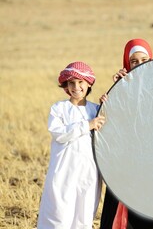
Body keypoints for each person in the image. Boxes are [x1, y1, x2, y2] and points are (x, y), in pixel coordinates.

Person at [99, 38, 153, 229]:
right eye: (134, 61)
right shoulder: (122, 88)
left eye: (144, 60)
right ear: (127, 64)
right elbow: (109, 124)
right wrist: (112, 95)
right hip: (127, 165)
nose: (139, 65)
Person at [37, 61, 105, 229]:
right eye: (71, 83)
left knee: (83, 217)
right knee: (58, 216)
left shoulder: (96, 110)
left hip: (89, 173)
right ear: (66, 86)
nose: (76, 87)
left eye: (81, 82)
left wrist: (107, 103)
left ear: (89, 84)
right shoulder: (58, 109)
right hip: (63, 172)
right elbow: (59, 133)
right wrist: (87, 125)